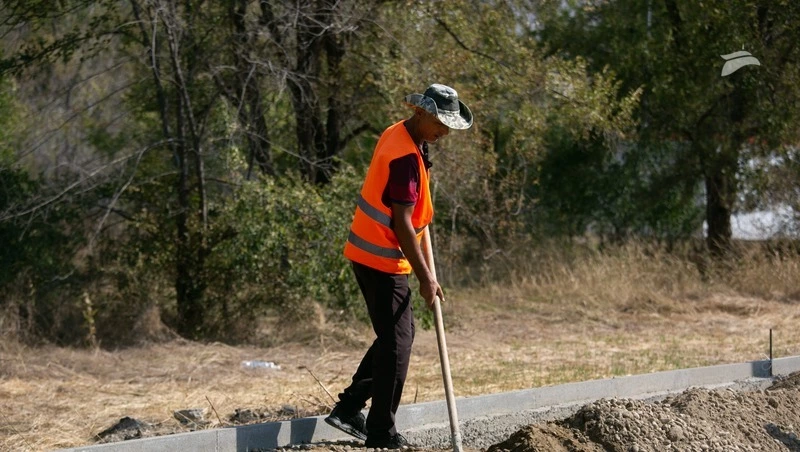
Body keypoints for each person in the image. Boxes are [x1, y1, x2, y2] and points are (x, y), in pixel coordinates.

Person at [324, 84, 473, 449]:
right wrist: (426, 278)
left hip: (376, 255)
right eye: (440, 123)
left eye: (449, 126)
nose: (445, 132)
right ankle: (380, 433)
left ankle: (348, 409)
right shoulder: (405, 155)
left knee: (395, 340)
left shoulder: (402, 133)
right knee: (397, 345)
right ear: (421, 113)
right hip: (381, 259)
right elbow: (402, 223)